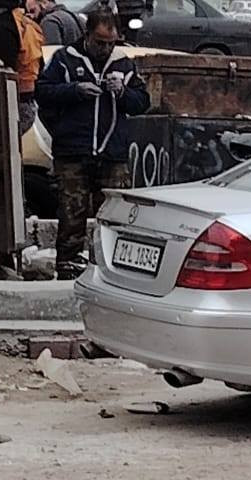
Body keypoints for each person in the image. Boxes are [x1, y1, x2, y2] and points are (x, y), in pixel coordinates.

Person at [36, 10, 151, 280]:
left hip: (112, 153)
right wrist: (75, 91)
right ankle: (67, 265)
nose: (105, 49)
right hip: (73, 150)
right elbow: (43, 92)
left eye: (111, 43)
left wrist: (122, 92)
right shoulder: (64, 59)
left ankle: (107, 268)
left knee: (113, 216)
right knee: (71, 211)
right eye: (100, 43)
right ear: (87, 36)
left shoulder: (123, 64)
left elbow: (141, 103)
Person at [0, 0, 44, 136]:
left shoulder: (2, 27)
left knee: (0, 142)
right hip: (29, 97)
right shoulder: (27, 23)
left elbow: (3, 67)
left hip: (12, 99)